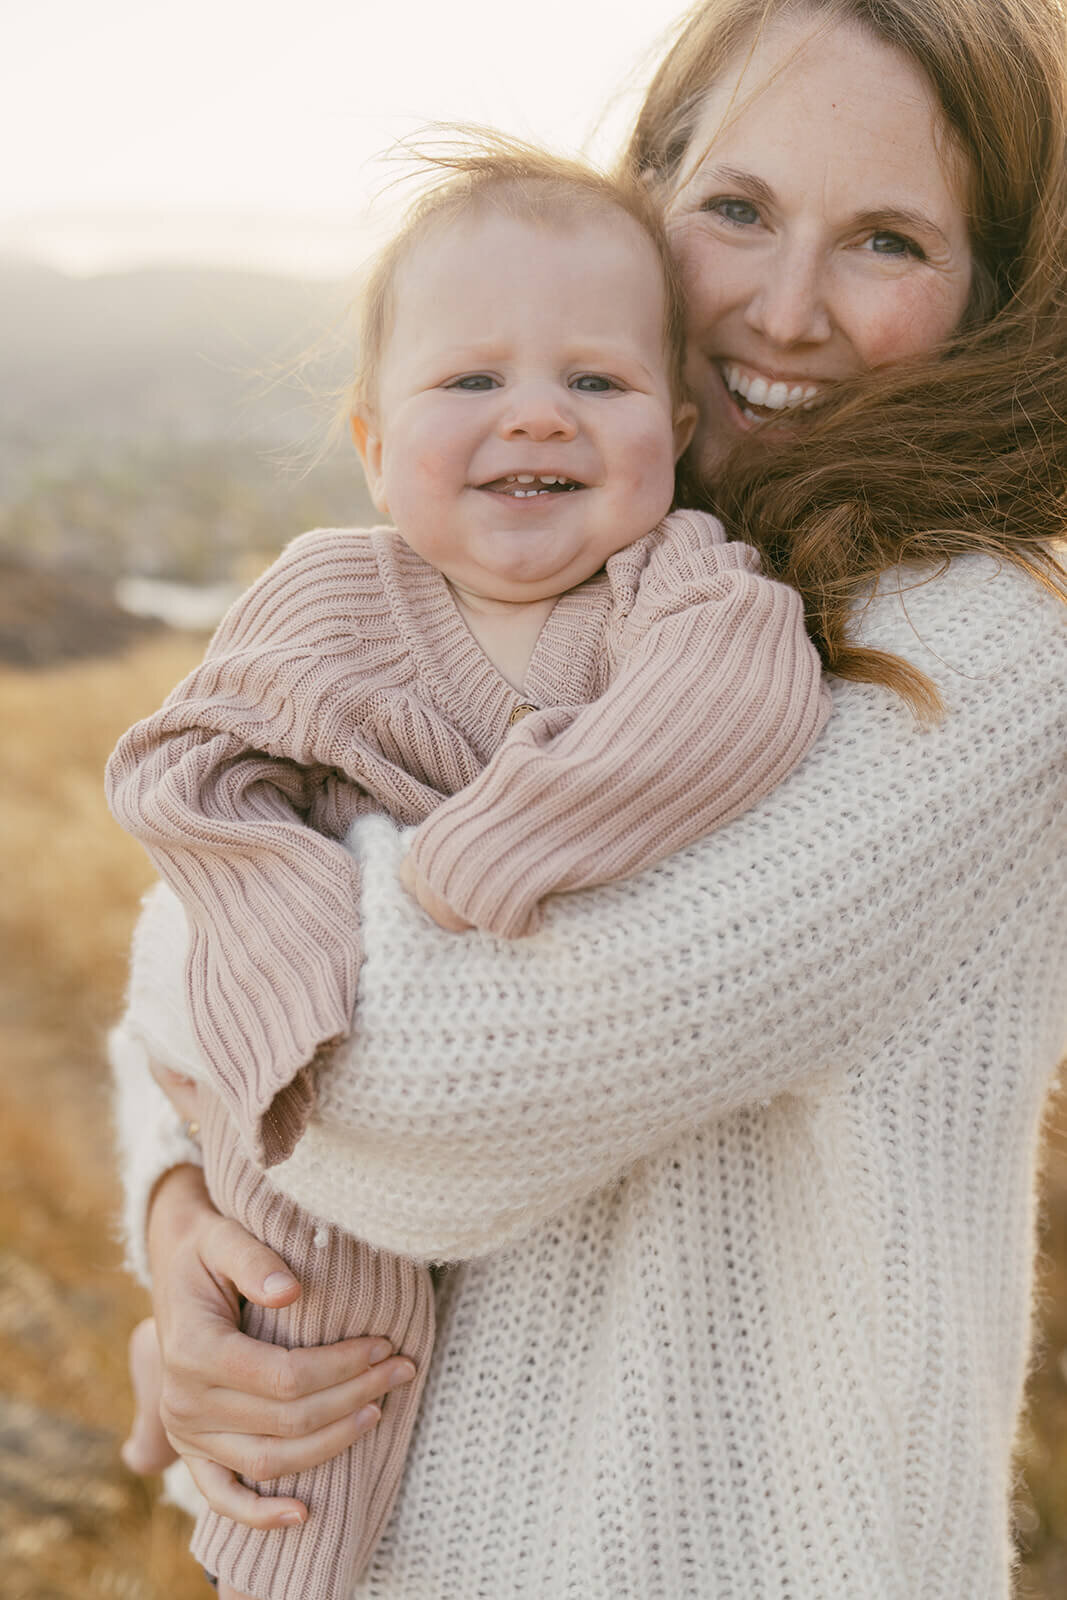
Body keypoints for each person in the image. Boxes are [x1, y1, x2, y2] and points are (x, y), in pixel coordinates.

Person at [109, 0, 1067, 1595]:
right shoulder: (578, 534)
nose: (785, 309)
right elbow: (206, 872)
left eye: (888, 241)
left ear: (1002, 294)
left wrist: (240, 944)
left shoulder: (992, 644)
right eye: (740, 212)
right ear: (650, 197)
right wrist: (177, 1231)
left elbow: (383, 1081)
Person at [106, 145, 830, 1600]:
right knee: (300, 1360)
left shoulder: (675, 583)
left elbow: (739, 702)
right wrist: (277, 915)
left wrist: (497, 849)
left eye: (599, 383)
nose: (537, 416)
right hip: (291, 1119)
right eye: (473, 382)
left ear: (678, 430)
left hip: (557, 1262)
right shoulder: (326, 593)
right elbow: (182, 772)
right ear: (373, 443)